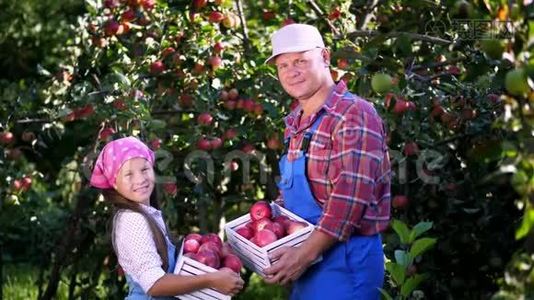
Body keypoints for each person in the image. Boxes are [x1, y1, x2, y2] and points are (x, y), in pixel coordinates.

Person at [262, 24, 392, 299]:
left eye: (300, 61)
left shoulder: (353, 114)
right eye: (283, 65)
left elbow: (349, 201)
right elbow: (295, 193)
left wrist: (303, 256)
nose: (291, 71)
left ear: (325, 57)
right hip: (308, 260)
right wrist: (263, 230)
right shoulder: (296, 122)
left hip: (345, 262)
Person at [90, 136, 244, 299]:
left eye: (144, 169)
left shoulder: (145, 213)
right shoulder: (133, 220)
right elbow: (154, 284)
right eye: (128, 175)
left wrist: (217, 251)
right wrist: (210, 280)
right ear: (114, 183)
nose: (140, 179)